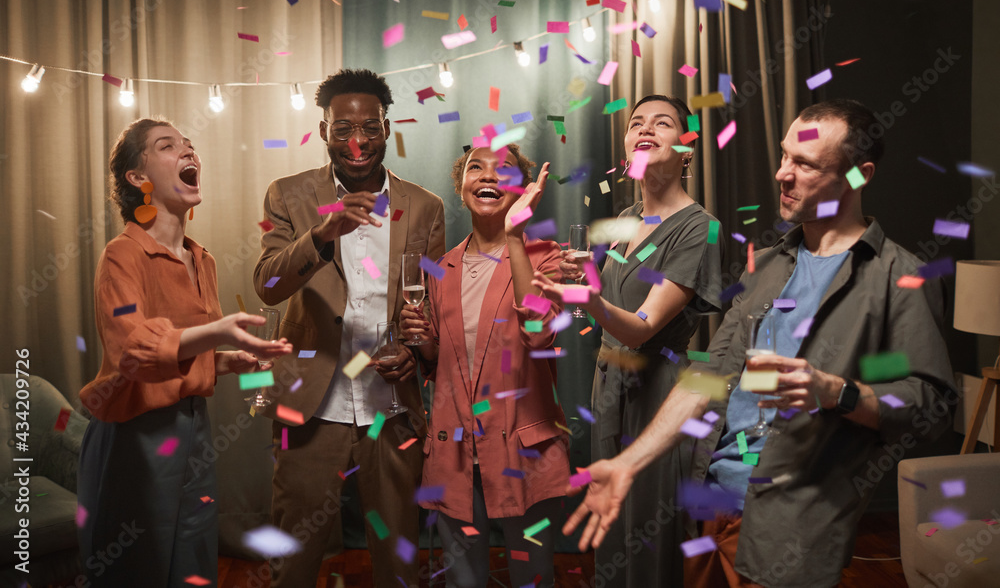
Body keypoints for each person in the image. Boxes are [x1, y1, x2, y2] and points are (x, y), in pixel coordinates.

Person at [562, 99, 957, 588]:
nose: (781, 174)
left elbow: (932, 405)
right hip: (710, 508)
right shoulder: (767, 265)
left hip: (790, 523)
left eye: (805, 164)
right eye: (785, 156)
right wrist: (626, 463)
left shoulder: (900, 276)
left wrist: (837, 392)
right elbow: (709, 376)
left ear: (859, 176)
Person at [78, 118, 292, 586]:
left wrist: (228, 362)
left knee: (193, 563)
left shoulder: (203, 259)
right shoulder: (122, 255)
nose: (187, 152)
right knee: (137, 568)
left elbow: (182, 356)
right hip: (136, 436)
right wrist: (218, 332)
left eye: (190, 146)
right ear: (139, 178)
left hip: (194, 428)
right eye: (167, 146)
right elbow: (132, 351)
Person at [254, 68, 445, 587]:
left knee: (398, 556)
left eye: (370, 128)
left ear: (387, 129)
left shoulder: (425, 207)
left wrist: (415, 349)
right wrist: (321, 234)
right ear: (323, 132)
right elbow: (267, 285)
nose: (357, 142)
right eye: (343, 129)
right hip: (312, 398)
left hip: (392, 403)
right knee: (293, 554)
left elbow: (433, 304)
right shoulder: (288, 194)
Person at [532, 94, 723, 586]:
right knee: (612, 531)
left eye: (662, 123)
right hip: (610, 393)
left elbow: (641, 325)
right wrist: (586, 284)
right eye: (636, 122)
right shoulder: (626, 219)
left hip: (659, 399)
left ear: (686, 146)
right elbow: (607, 310)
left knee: (649, 541)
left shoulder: (699, 227)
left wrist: (592, 298)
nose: (645, 128)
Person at [400, 147, 570, 588]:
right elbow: (438, 360)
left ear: (522, 189)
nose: (488, 175)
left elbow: (540, 335)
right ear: (461, 188)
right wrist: (419, 336)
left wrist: (515, 238)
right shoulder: (440, 269)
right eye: (476, 167)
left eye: (503, 168)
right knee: (462, 581)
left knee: (532, 578)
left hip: (523, 452)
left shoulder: (550, 258)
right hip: (454, 452)